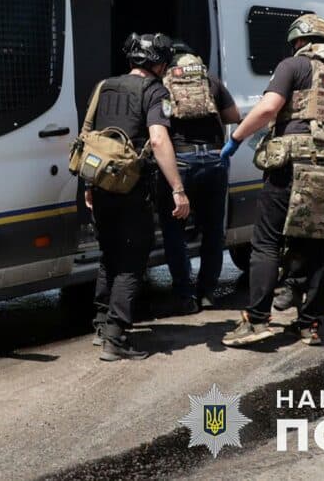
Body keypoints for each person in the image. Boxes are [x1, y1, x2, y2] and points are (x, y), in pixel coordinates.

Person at [219, 14, 324, 347]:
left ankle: (256, 320)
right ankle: (310, 325)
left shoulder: (293, 65)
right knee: (320, 247)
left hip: (291, 167)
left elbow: (268, 108)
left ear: (299, 41)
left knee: (267, 243)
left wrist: (235, 140)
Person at [84, 33, 188, 361]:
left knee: (109, 254)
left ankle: (101, 323)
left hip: (100, 185)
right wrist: (178, 188)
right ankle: (115, 337)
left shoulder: (105, 86)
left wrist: (88, 184)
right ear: (158, 63)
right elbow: (158, 140)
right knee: (131, 261)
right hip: (131, 189)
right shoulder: (156, 91)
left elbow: (90, 137)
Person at [155, 44, 240, 313]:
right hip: (214, 160)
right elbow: (234, 116)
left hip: (180, 160)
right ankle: (207, 292)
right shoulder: (210, 80)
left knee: (175, 231)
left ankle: (185, 294)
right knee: (214, 230)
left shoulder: (163, 83)